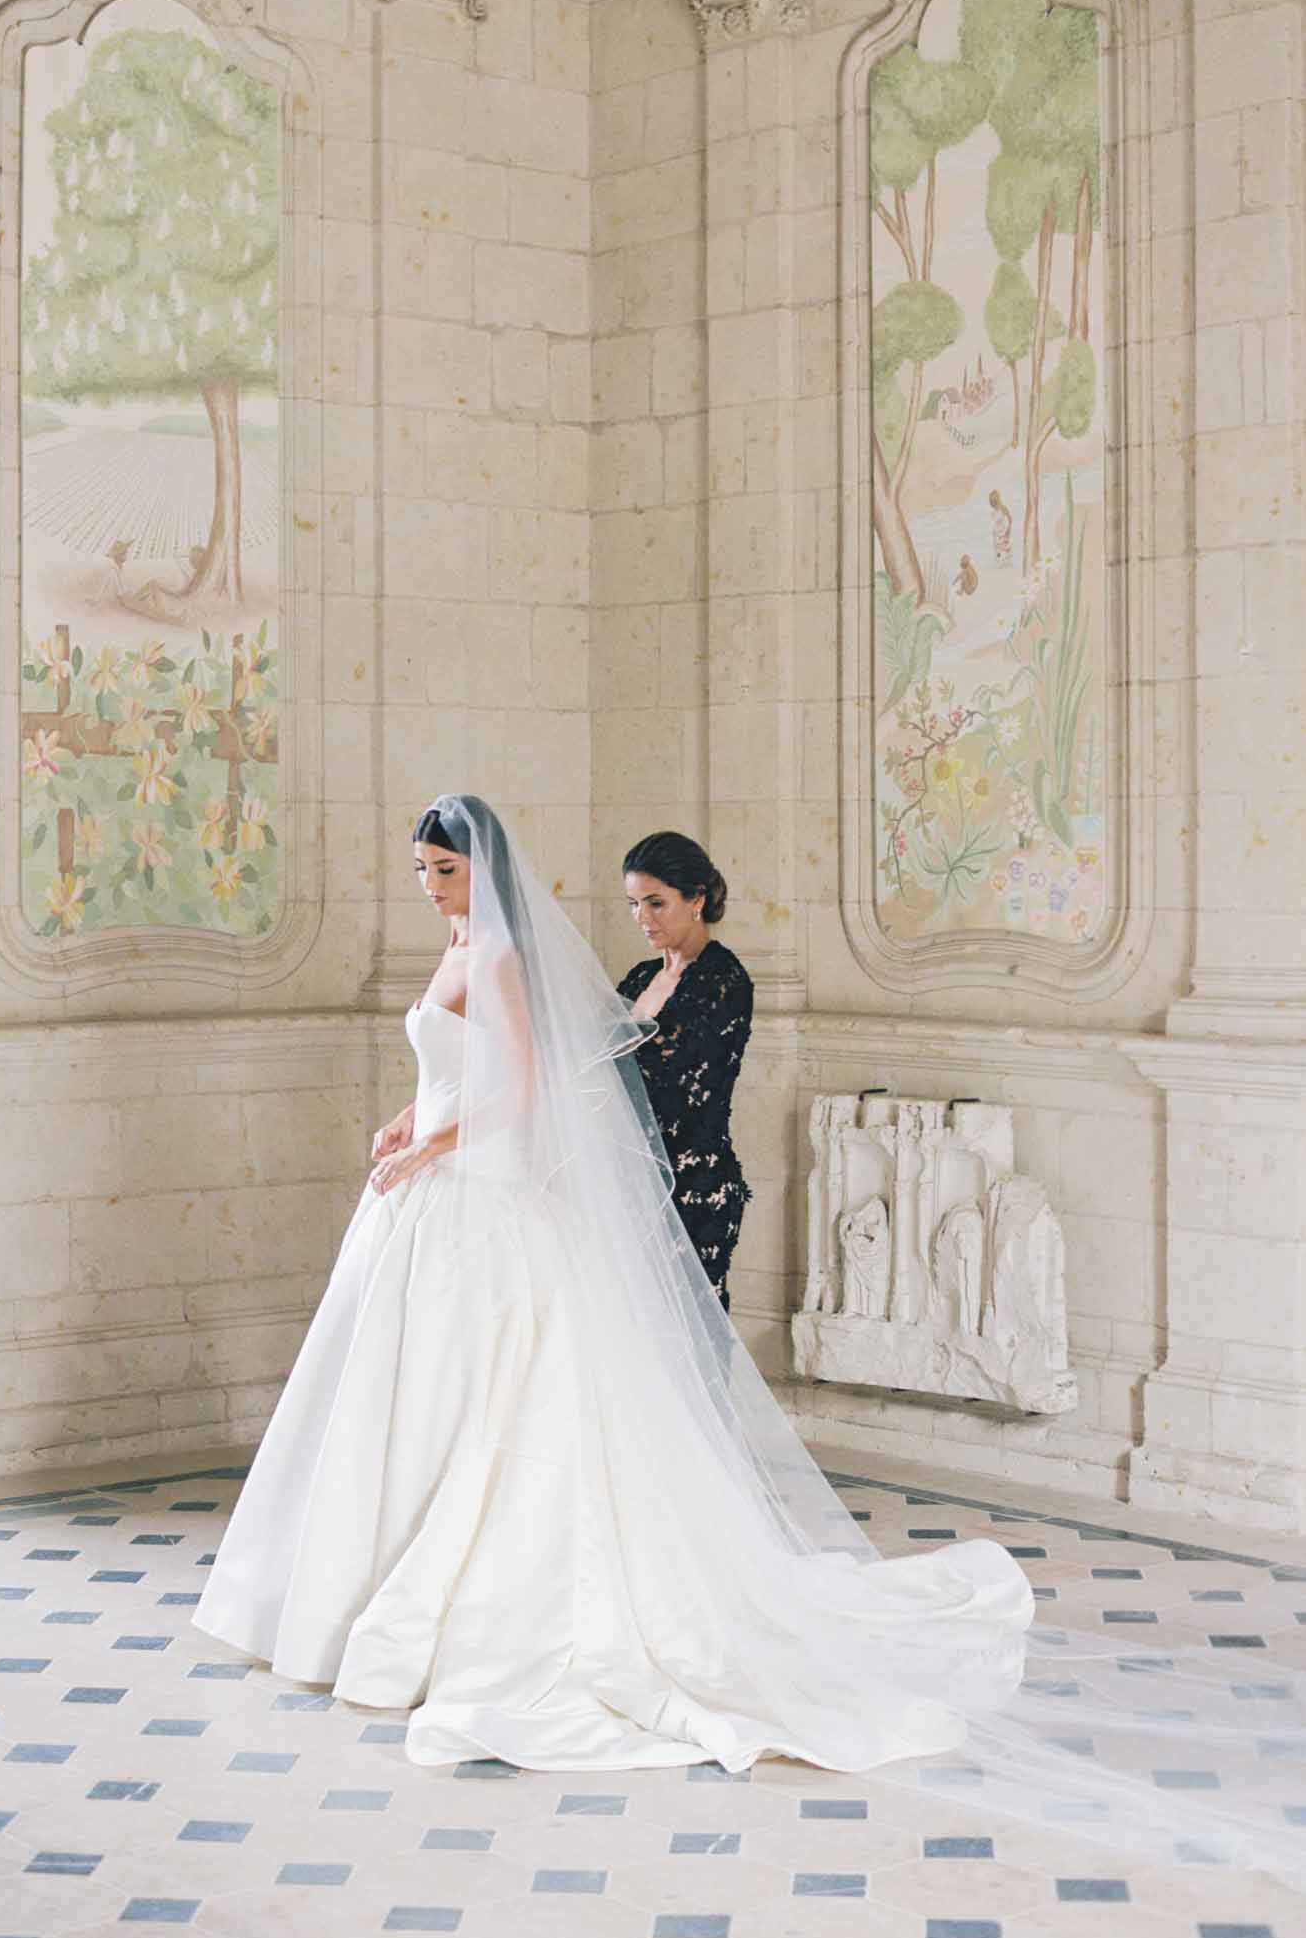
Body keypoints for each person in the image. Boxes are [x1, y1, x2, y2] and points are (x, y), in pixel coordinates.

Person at [192, 795, 1306, 1882]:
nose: (431, 885)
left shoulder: (514, 962)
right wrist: (409, 1119)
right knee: (412, 1400)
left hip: (485, 1196)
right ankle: (357, 1594)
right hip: (432, 1199)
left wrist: (434, 1146)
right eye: (423, 870)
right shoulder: (457, 953)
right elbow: (454, 1071)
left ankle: (471, 1606)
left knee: (513, 1408)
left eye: (445, 870)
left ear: (484, 871)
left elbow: (524, 1089)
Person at [618, 831, 752, 1312]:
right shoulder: (638, 978)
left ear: (696, 899)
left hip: (694, 1189)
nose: (642, 918)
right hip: (634, 1182)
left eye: (656, 903)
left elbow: (679, 1085)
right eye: (634, 904)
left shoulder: (723, 979)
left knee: (692, 1340)